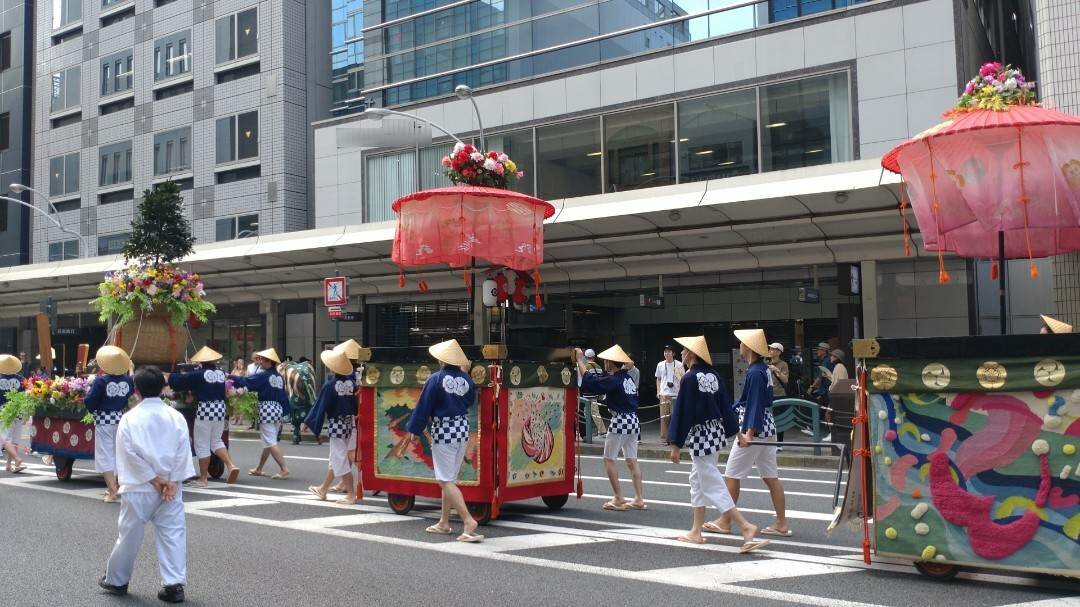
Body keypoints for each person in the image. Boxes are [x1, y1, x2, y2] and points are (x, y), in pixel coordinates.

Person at [99, 366, 196, 603]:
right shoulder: (176, 417)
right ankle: (174, 585)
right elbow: (184, 448)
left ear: (136, 390)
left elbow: (129, 454)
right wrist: (172, 481)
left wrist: (154, 479)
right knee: (172, 533)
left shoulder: (130, 418)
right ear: (163, 388)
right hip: (170, 487)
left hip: (141, 485)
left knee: (129, 534)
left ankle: (117, 581)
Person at [667, 336, 768, 553]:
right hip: (716, 432)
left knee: (711, 481)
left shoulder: (689, 378)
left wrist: (676, 444)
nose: (682, 355)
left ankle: (745, 526)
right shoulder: (714, 375)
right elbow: (726, 406)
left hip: (700, 434)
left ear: (692, 354)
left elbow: (682, 412)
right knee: (697, 479)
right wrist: (737, 434)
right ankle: (695, 530)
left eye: (684, 351)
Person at [710, 328, 790, 538]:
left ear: (749, 348)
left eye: (742, 344)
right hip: (768, 428)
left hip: (754, 430)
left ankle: (725, 520)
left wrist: (748, 433)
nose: (739, 347)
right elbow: (749, 401)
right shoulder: (762, 369)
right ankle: (781, 523)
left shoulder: (755, 372)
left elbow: (753, 404)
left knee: (732, 474)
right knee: (771, 477)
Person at [403, 339, 483, 542]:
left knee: (445, 480)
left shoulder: (436, 379)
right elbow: (470, 401)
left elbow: (424, 406)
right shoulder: (466, 380)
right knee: (449, 479)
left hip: (444, 431)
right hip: (462, 429)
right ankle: (444, 522)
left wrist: (414, 428)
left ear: (441, 360)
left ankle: (468, 521)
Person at [575, 345, 646, 511]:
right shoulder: (627, 378)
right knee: (632, 460)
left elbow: (591, 382)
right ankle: (638, 498)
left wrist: (579, 360)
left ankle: (618, 497)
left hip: (620, 420)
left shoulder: (615, 379)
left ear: (609, 363)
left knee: (609, 458)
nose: (605, 364)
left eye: (606, 361)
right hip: (634, 421)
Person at [167, 347, 240, 487]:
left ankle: (203, 478)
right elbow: (236, 381)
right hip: (220, 409)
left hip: (206, 410)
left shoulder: (198, 374)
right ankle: (231, 465)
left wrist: (174, 369)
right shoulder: (222, 373)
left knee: (201, 444)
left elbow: (176, 381)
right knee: (216, 441)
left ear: (201, 362)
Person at [305, 349, 358, 505]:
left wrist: (310, 423)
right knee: (336, 458)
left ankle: (351, 494)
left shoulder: (330, 386)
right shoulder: (352, 384)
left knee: (339, 458)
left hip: (336, 424)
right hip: (349, 423)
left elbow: (320, 406)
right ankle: (323, 488)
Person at [230, 349, 290, 480]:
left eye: (262, 359)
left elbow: (246, 381)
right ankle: (259, 468)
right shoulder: (279, 377)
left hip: (267, 409)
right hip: (277, 409)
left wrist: (229, 377)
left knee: (270, 441)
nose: (260, 361)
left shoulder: (264, 375)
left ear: (269, 361)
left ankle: (284, 469)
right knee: (269, 440)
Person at [84, 346, 134, 503]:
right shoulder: (127, 380)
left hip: (104, 419)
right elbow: (131, 391)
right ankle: (116, 486)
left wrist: (89, 401)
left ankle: (112, 491)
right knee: (118, 454)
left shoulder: (101, 380)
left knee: (105, 455)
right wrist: (131, 369)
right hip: (120, 417)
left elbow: (90, 402)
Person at [0, 353, 26, 473]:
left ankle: (17, 459)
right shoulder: (21, 380)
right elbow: (26, 397)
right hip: (18, 411)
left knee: (5, 439)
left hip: (4, 411)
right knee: (14, 439)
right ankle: (9, 464)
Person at [654, 345, 684, 446]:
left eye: (669, 351)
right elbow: (658, 378)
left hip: (676, 394)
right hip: (664, 394)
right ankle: (664, 439)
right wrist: (658, 391)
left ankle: (675, 438)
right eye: (665, 351)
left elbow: (683, 379)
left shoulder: (679, 365)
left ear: (673, 353)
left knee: (676, 417)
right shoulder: (660, 365)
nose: (666, 353)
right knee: (664, 418)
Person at [580, 349, 607, 437]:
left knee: (592, 412)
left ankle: (602, 431)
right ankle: (591, 431)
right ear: (594, 356)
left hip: (588, 393)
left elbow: (583, 380)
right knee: (589, 412)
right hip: (597, 392)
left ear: (586, 357)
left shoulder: (585, 367)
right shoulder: (599, 367)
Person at [767, 342, 789, 446]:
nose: (770, 351)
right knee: (768, 418)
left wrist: (776, 370)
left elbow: (785, 380)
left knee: (779, 419)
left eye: (772, 349)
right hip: (768, 395)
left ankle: (779, 444)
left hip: (779, 395)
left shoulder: (783, 364)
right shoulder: (765, 363)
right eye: (769, 349)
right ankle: (770, 442)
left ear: (779, 352)